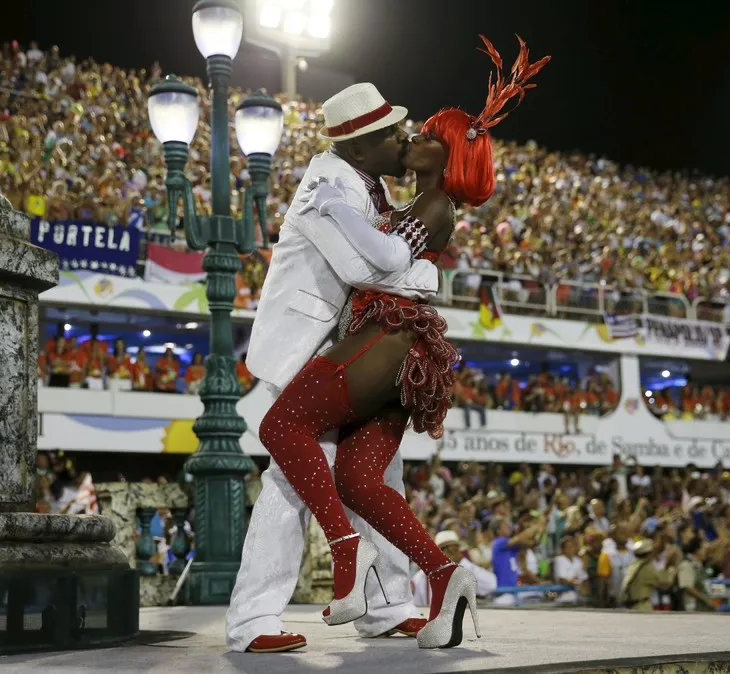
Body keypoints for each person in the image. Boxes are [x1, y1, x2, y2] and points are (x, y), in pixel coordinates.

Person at [258, 36, 549, 649]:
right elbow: (404, 265)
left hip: (387, 344)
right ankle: (444, 575)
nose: (411, 136)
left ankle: (346, 551)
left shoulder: (435, 205)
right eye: (408, 132)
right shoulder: (418, 199)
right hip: (395, 351)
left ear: (443, 157)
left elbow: (386, 260)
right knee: (363, 483)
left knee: (280, 428)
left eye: (423, 136)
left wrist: (332, 212)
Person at [227, 82, 442, 654]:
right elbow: (365, 268)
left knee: (378, 478)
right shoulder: (328, 185)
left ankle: (387, 606)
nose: (404, 140)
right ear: (362, 143)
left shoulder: (365, 183)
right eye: (394, 134)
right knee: (292, 483)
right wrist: (424, 274)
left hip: (344, 352)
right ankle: (252, 621)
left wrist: (416, 268)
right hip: (307, 348)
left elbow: (391, 262)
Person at [411, 531, 497, 606]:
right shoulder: (422, 577)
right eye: (444, 549)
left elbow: (491, 584)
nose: (449, 554)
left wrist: (461, 562)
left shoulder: (464, 569)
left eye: (454, 549)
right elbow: (418, 608)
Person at [618, 539, 679, 611]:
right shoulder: (646, 567)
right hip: (641, 606)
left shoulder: (634, 565)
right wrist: (671, 566)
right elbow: (664, 582)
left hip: (630, 605)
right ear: (649, 553)